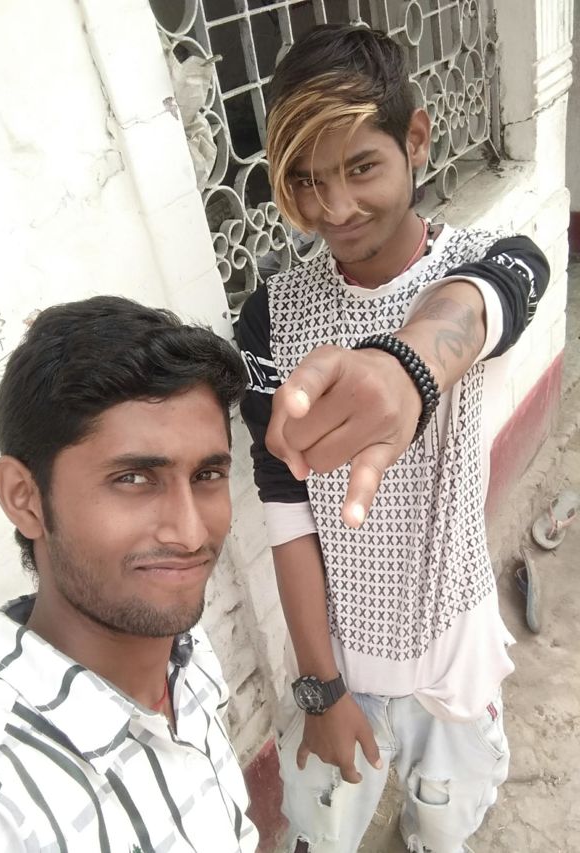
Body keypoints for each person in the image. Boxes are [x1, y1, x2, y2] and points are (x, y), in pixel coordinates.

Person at [236, 24, 550, 853]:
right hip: (341, 664)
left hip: (453, 652)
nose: (334, 208)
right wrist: (321, 689)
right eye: (306, 180)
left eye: (360, 167)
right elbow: (286, 515)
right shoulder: (273, 318)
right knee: (322, 830)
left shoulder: (485, 261)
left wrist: (409, 364)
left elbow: (501, 288)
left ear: (415, 139)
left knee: (442, 826)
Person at [0, 296, 258, 852]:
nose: (190, 534)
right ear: (25, 498)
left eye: (207, 474)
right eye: (133, 479)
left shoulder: (187, 658)